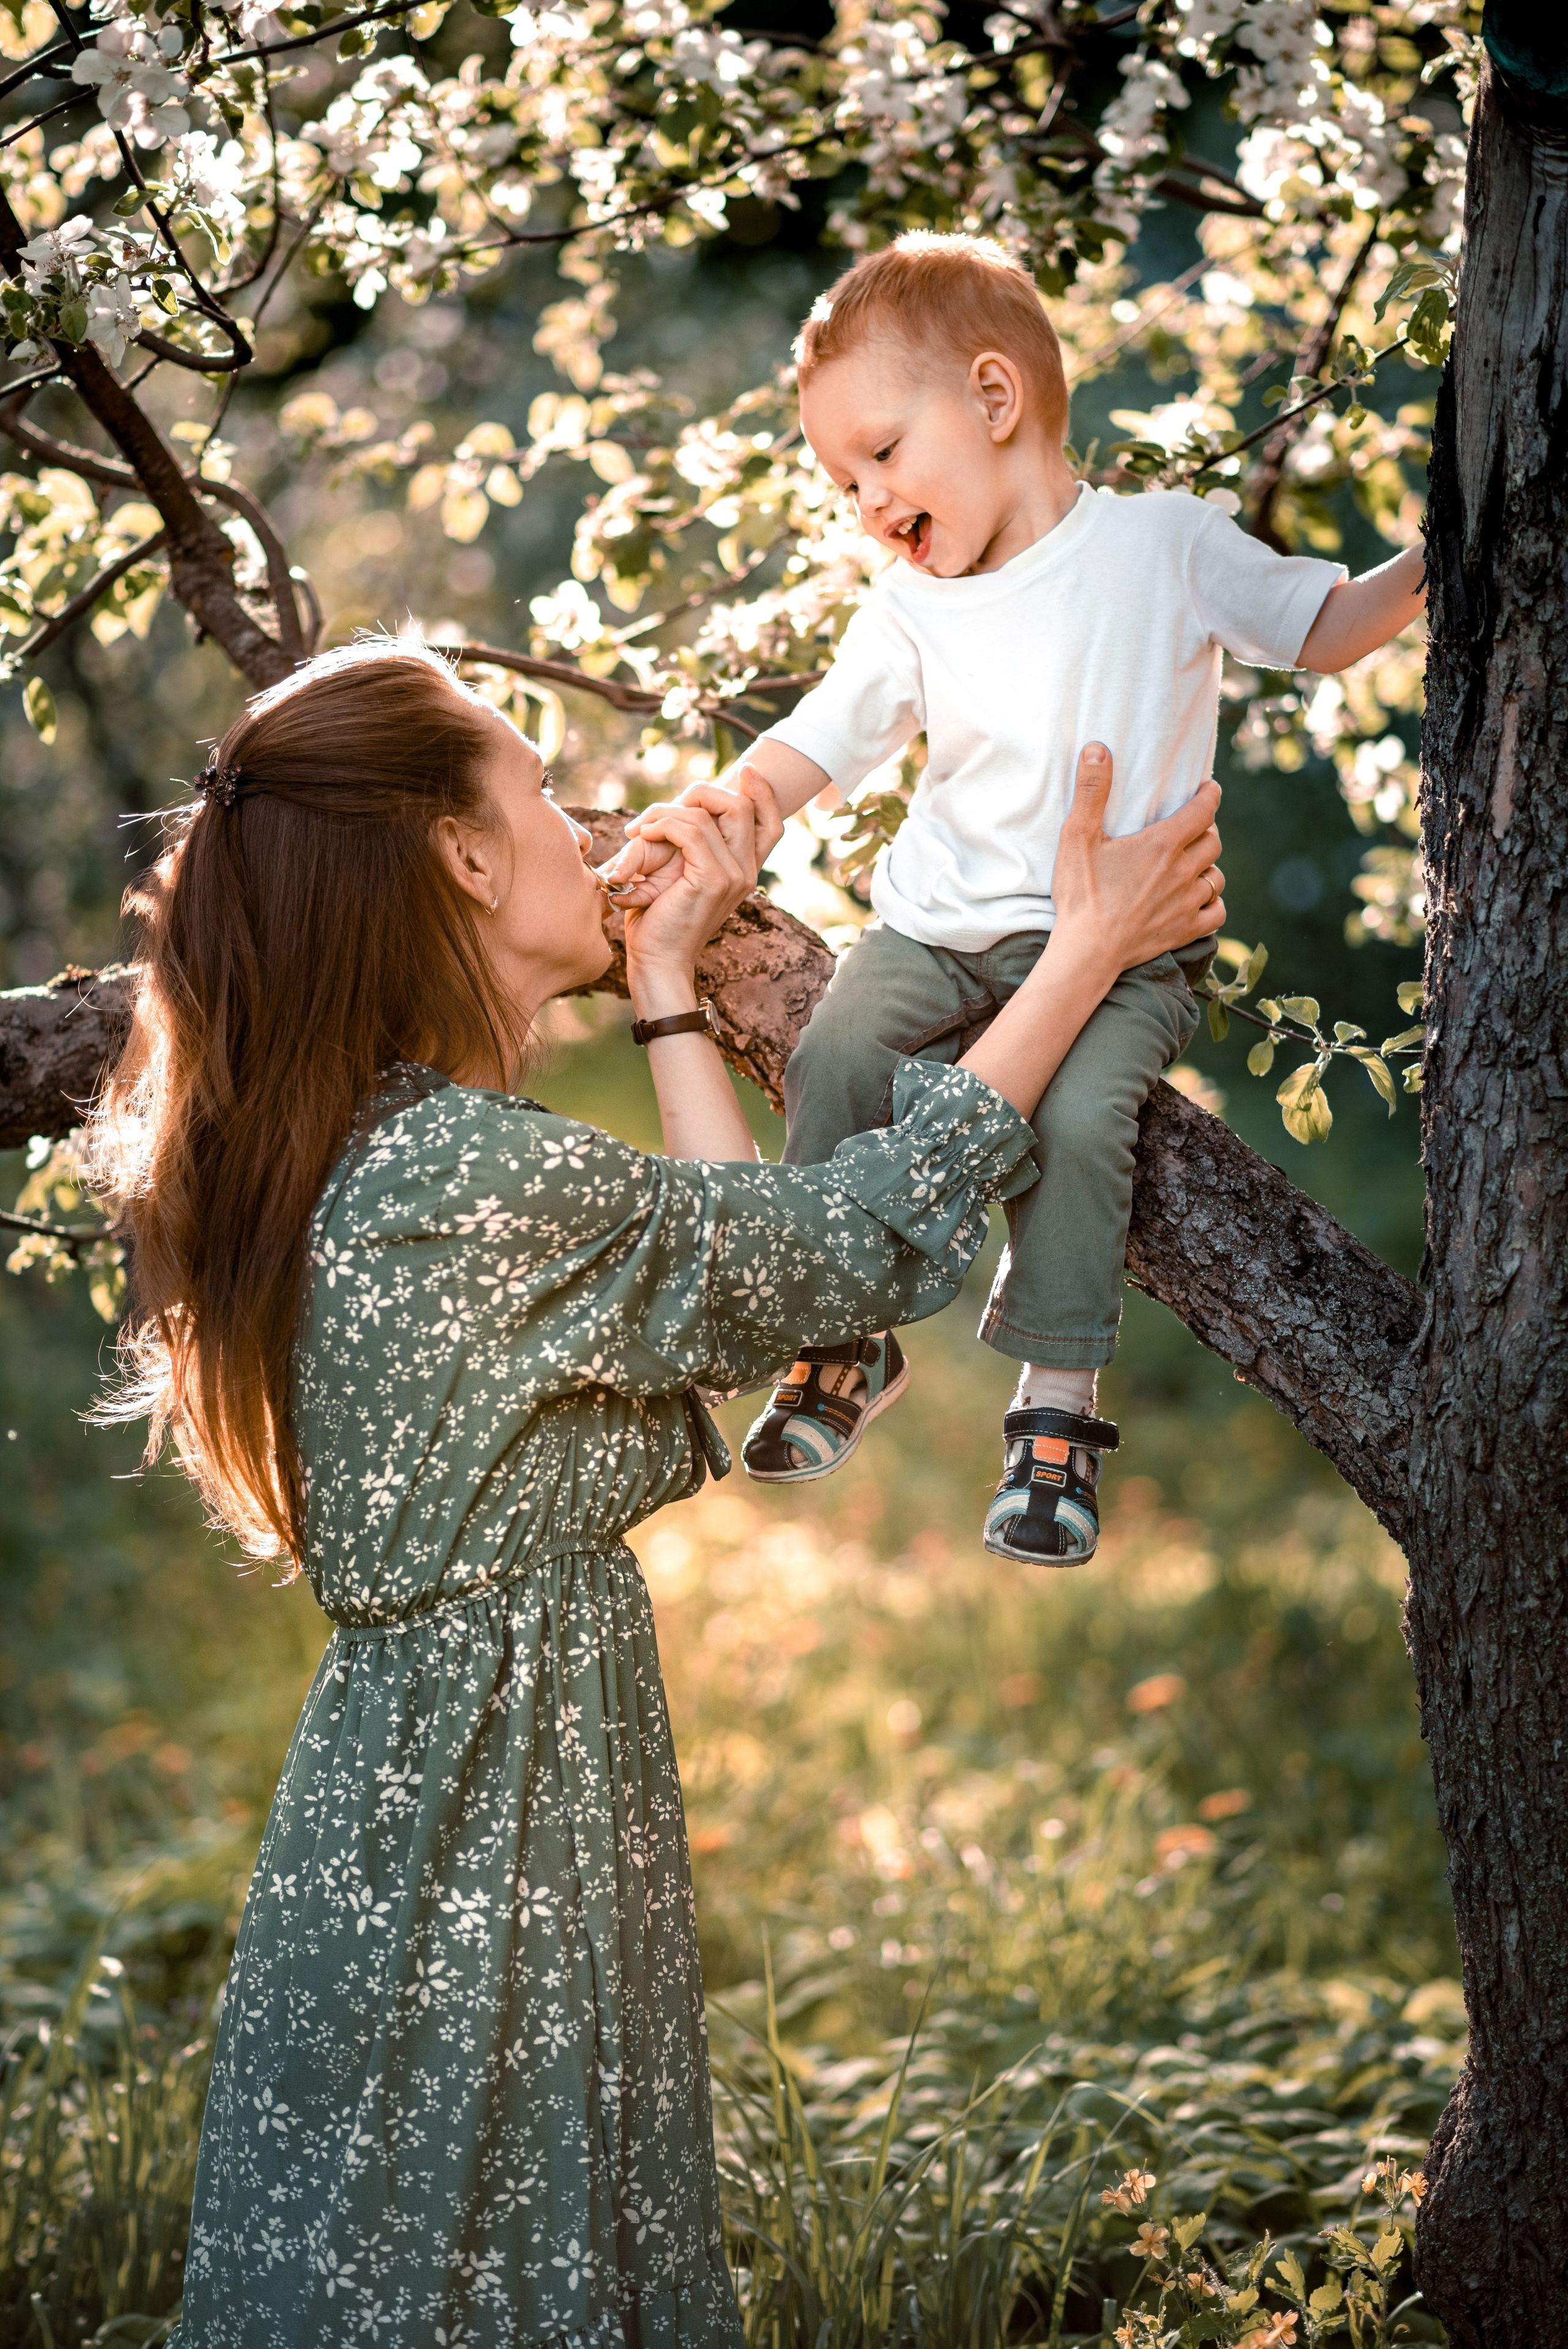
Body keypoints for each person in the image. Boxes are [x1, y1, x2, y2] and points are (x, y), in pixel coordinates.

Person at [90, 637, 1223, 2347]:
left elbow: (747, 1291)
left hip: (456, 1789)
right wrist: (1082, 955)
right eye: (537, 784)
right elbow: (844, 1248)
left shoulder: (404, 1151)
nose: (578, 815)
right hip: (483, 1820)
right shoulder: (461, 1173)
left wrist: (671, 982)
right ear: (463, 857)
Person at [616, 230, 1427, 1568]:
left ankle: (1053, 1416)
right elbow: (806, 749)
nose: (866, 499)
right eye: (842, 480)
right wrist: (717, 814)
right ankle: (840, 1336)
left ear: (993, 402)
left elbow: (1323, 626)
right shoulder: (909, 609)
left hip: (1122, 950)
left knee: (1081, 1111)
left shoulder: (1161, 548)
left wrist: (1431, 556)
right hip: (934, 929)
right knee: (836, 1049)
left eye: (880, 454)